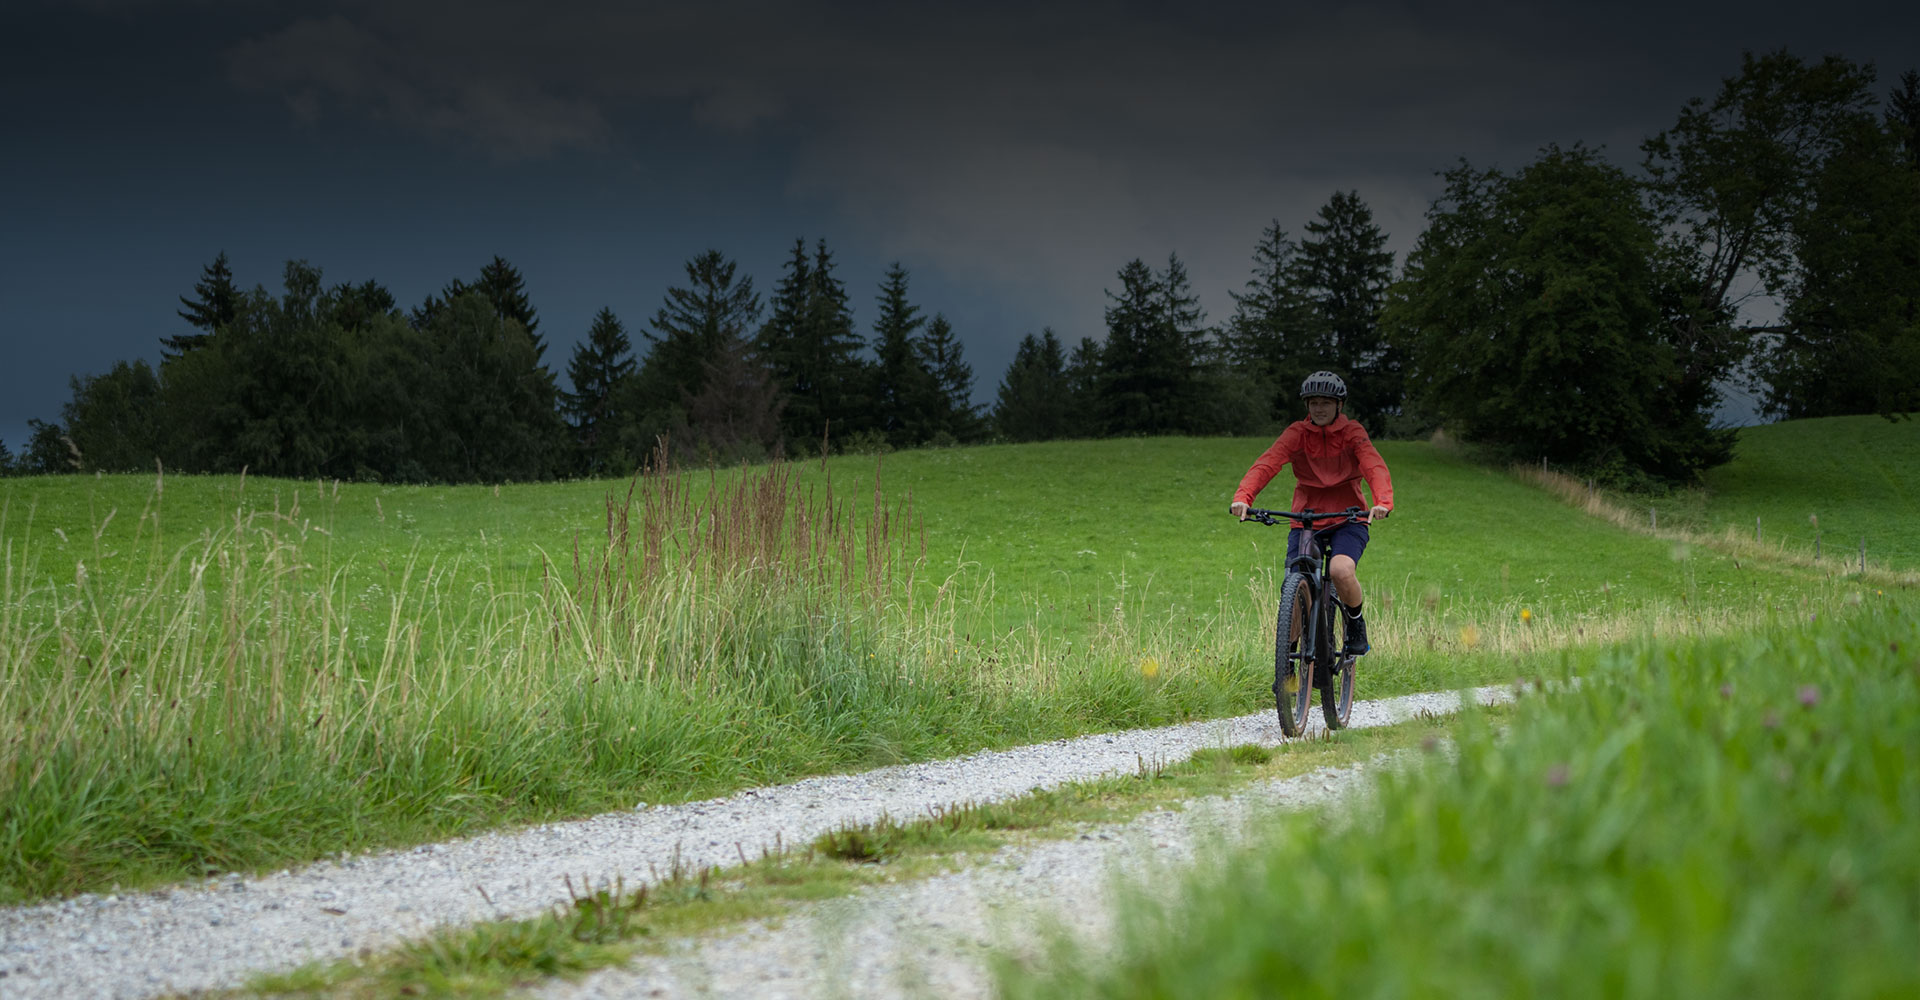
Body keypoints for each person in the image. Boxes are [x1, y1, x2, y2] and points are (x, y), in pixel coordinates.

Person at [1228, 371, 1394, 655]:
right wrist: (1243, 497)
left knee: (1340, 570)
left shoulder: (1352, 432)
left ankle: (1355, 623)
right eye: (1313, 402)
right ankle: (1287, 665)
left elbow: (1373, 465)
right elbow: (1268, 463)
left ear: (1339, 406)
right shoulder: (1298, 434)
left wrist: (1382, 502)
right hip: (1306, 521)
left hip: (1349, 519)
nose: (1319, 408)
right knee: (1294, 589)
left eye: (1326, 403)